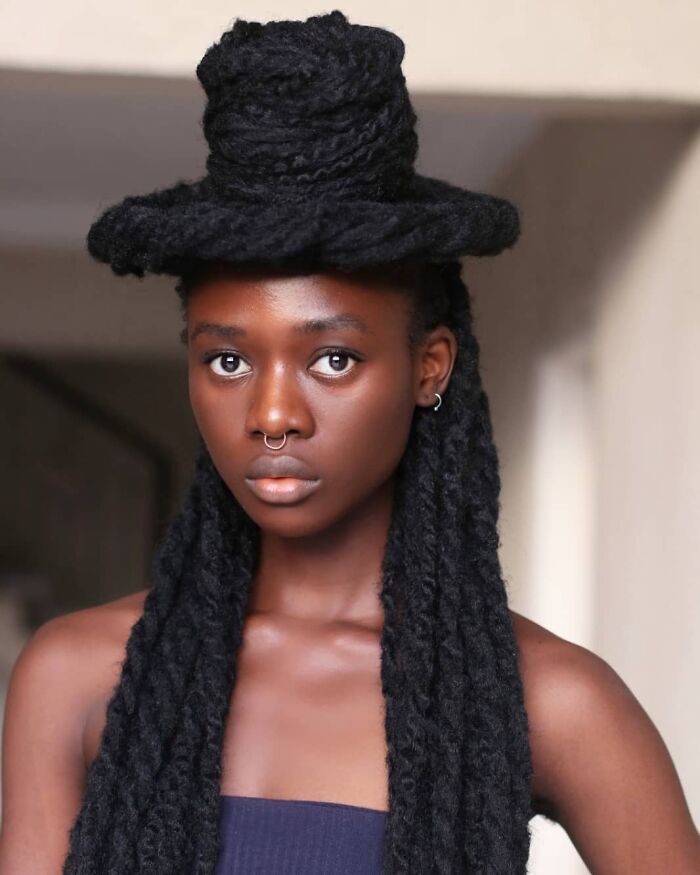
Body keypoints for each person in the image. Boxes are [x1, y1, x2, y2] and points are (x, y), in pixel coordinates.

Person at [1, 10, 698, 875]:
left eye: (333, 357)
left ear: (428, 367)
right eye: (226, 358)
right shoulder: (75, 678)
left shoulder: (550, 700)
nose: (272, 413)